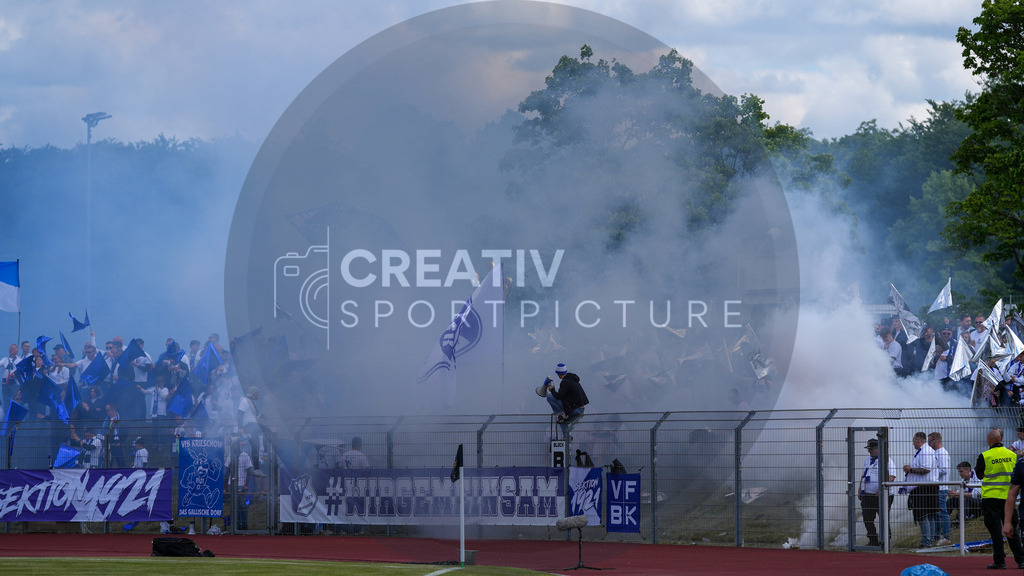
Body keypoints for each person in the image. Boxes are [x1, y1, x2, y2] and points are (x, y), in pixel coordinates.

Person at [978, 428, 1024, 569]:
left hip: (991, 497)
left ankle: (1000, 561)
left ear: (989, 440)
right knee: (1011, 530)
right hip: (1008, 498)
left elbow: (979, 475)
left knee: (995, 531)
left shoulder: (985, 456)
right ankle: (1021, 560)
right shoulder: (1012, 455)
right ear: (1001, 440)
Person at [857, 438, 895, 547]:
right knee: (867, 518)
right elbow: (863, 475)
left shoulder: (887, 460)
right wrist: (860, 488)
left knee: (883, 518)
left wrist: (881, 487)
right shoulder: (867, 460)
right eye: (869, 449)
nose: (869, 451)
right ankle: (872, 540)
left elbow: (891, 476)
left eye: (871, 449)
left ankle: (885, 541)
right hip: (868, 494)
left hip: (882, 495)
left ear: (878, 449)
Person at [903, 431, 938, 548]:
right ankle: (929, 540)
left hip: (924, 488)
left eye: (914, 441)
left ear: (918, 440)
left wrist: (910, 470)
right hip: (926, 487)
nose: (913, 444)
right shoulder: (925, 451)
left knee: (923, 515)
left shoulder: (925, 452)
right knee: (929, 515)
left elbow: (926, 469)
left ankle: (926, 542)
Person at [543, 363, 589, 440]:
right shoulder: (573, 380)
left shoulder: (565, 382)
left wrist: (552, 389)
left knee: (550, 396)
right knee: (561, 420)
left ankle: (559, 413)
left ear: (558, 373)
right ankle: (566, 436)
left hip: (575, 409)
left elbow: (558, 396)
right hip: (580, 408)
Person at [928, 432, 951, 546]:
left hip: (941, 487)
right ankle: (937, 535)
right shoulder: (936, 453)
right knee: (937, 513)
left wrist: (931, 471)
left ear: (936, 441)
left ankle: (946, 536)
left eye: (930, 441)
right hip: (937, 487)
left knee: (943, 512)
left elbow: (944, 470)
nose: (929, 444)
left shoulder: (941, 453)